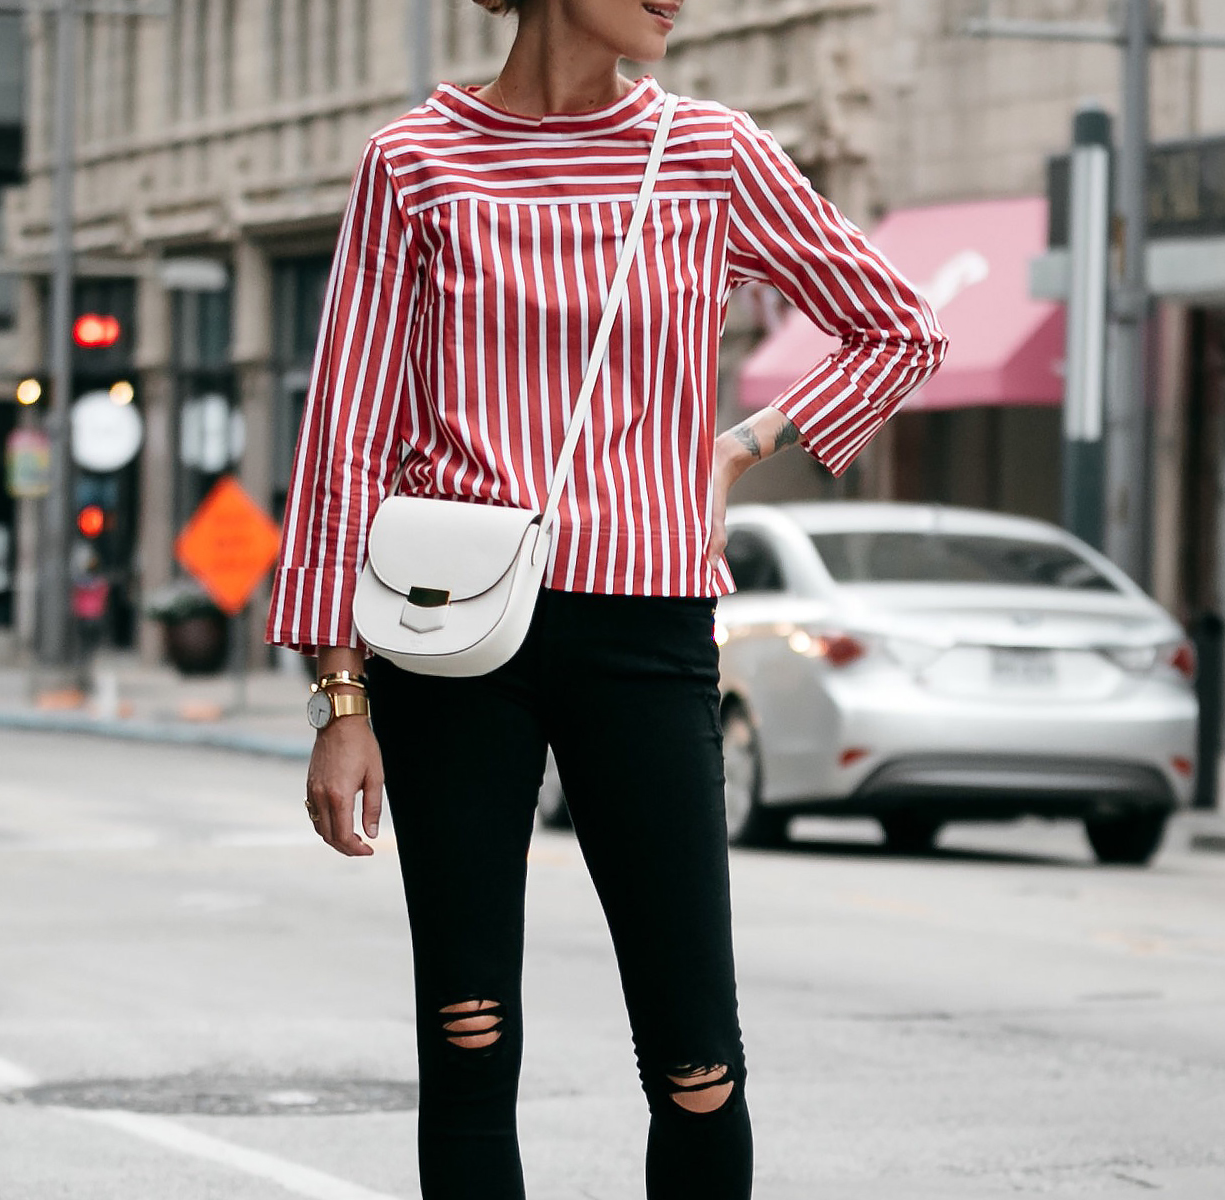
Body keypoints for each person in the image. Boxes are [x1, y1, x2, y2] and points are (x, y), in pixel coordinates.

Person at [267, 1, 947, 1195]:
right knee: (466, 1035)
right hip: (453, 638)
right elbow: (347, 434)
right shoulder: (416, 162)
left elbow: (899, 327)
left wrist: (741, 445)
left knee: (697, 1059)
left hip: (649, 627)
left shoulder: (711, 152)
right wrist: (339, 697)